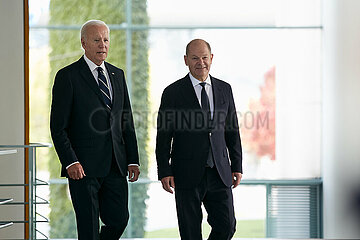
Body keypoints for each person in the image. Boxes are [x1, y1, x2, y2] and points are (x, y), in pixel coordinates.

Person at [50, 20, 140, 240]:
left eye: (106, 39)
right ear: (83, 43)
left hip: (115, 165)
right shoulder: (68, 76)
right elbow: (58, 127)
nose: (103, 45)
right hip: (83, 168)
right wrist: (70, 161)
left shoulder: (117, 75)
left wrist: (133, 159)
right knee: (88, 229)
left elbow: (125, 119)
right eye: (97, 40)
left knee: (120, 219)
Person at [156, 39, 243, 240]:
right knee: (190, 233)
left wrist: (236, 165)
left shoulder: (225, 89)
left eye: (204, 57)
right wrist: (164, 170)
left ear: (211, 58)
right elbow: (163, 135)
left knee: (227, 226)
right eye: (195, 58)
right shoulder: (173, 92)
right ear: (186, 60)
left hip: (219, 171)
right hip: (186, 173)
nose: (200, 62)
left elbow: (232, 130)